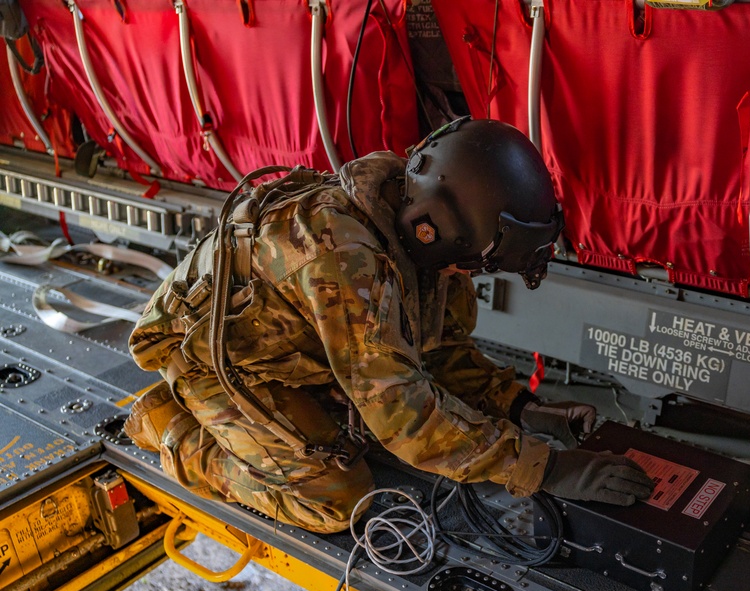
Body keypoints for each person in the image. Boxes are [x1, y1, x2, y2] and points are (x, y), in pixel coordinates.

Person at [125, 117, 654, 533]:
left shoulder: (417, 224)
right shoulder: (343, 260)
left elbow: (441, 353)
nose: (466, 278)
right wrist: (547, 468)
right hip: (215, 361)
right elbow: (406, 418)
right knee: (337, 498)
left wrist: (526, 409)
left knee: (376, 431)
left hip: (292, 350)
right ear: (434, 232)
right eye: (471, 265)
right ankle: (169, 426)